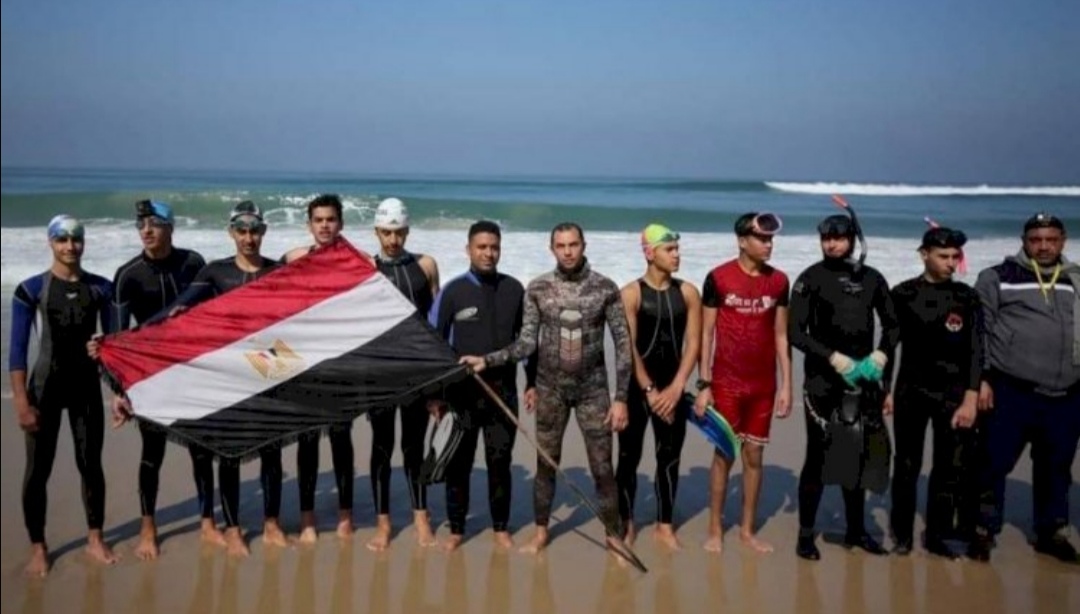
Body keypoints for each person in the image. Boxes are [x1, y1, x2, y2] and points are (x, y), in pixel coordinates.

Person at [462, 222, 633, 556]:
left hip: (593, 391)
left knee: (602, 468)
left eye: (573, 244)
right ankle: (541, 532)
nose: (567, 251)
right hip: (550, 390)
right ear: (551, 248)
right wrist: (488, 360)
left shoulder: (605, 288)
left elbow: (623, 345)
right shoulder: (539, 288)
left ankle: (613, 534)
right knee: (546, 465)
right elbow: (526, 343)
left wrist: (621, 398)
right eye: (561, 245)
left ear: (584, 245)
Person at [150, 200, 286, 557]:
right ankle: (234, 529)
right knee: (228, 452)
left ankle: (271, 523)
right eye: (241, 231)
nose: (248, 238)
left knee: (272, 451)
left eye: (254, 230)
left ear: (263, 232)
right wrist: (133, 335)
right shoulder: (215, 272)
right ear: (231, 232)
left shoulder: (278, 271)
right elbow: (178, 308)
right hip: (228, 375)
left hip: (268, 367)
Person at [788, 209, 900, 560]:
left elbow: (893, 326)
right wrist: (833, 357)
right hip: (822, 384)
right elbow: (795, 332)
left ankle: (856, 530)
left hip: (862, 381)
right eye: (826, 238)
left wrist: (881, 356)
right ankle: (806, 535)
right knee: (818, 457)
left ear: (853, 240)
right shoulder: (810, 279)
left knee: (857, 455)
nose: (831, 244)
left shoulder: (872, 279)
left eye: (838, 238)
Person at [9, 215, 117, 577]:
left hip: (86, 388)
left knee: (91, 464)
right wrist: (22, 402)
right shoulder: (31, 289)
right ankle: (38, 547)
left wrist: (104, 349)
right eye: (62, 239)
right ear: (50, 242)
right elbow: (17, 351)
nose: (70, 246)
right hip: (45, 390)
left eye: (76, 239)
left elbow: (115, 342)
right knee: (38, 470)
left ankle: (95, 538)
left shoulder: (101, 289)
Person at [970, 212, 1080, 564]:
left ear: (1062, 241)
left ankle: (1051, 531)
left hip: (1067, 394)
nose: (1044, 246)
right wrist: (983, 379)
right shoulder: (998, 277)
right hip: (1011, 389)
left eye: (1051, 239)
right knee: (993, 462)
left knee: (1056, 466)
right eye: (1036, 240)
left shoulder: (1075, 278)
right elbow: (979, 332)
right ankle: (983, 529)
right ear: (1024, 241)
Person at [107, 199, 211, 560]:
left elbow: (213, 315)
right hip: (151, 376)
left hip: (190, 372)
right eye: (141, 225)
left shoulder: (193, 263)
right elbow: (117, 340)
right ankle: (148, 528)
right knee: (152, 453)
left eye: (154, 223)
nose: (146, 230)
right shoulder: (128, 275)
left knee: (201, 450)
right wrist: (119, 390)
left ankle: (207, 522)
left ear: (171, 227)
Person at [428, 220, 536, 551]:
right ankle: (457, 528)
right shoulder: (452, 291)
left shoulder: (514, 289)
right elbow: (434, 345)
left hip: (502, 393)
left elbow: (527, 343)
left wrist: (532, 383)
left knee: (499, 463)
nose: (489, 253)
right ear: (469, 250)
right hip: (461, 395)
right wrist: (435, 395)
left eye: (494, 247)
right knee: (459, 465)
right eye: (482, 247)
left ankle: (500, 527)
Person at [694, 212, 792, 554]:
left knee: (754, 455)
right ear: (742, 241)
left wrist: (786, 385)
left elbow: (781, 335)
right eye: (761, 239)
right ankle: (715, 528)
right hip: (726, 383)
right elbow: (706, 334)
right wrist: (704, 384)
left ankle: (747, 531)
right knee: (725, 454)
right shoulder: (718, 278)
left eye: (770, 239)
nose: (768, 245)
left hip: (763, 385)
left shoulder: (779, 281)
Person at [884, 225, 981, 560]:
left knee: (947, 467)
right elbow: (889, 346)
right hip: (910, 390)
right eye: (943, 256)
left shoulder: (967, 297)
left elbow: (976, 351)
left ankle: (937, 535)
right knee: (906, 465)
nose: (951, 263)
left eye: (955, 256)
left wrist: (971, 396)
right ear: (924, 254)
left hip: (952, 394)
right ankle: (902, 534)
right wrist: (885, 389)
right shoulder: (902, 294)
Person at [615, 224, 700, 550]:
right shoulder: (631, 293)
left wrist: (677, 386)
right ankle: (626, 523)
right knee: (628, 457)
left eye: (677, 249)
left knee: (669, 456)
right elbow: (629, 348)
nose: (677, 255)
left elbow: (694, 343)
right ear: (650, 253)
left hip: (673, 388)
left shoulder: (688, 292)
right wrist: (649, 391)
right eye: (670, 249)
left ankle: (665, 526)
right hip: (638, 390)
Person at [367, 197, 441, 550]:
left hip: (416, 372)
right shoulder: (365, 268)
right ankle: (383, 523)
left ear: (407, 231)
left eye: (398, 232)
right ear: (376, 232)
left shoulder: (425, 265)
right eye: (386, 232)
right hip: (379, 373)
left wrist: (439, 378)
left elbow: (437, 323)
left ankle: (420, 517)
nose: (393, 239)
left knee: (414, 447)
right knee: (381, 447)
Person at [282, 194, 357, 542]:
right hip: (305, 364)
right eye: (318, 220)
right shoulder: (294, 260)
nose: (325, 225)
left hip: (341, 365)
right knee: (307, 441)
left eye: (331, 219)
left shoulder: (357, 262)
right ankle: (307, 518)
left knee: (341, 440)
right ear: (309, 224)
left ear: (341, 223)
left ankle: (345, 516)